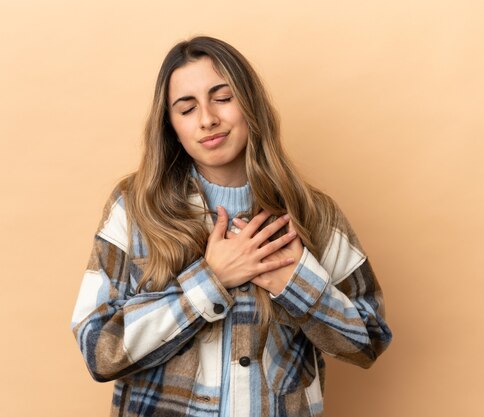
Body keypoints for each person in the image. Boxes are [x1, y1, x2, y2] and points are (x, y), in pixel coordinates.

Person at [70, 36, 392, 417]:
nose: (208, 119)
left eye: (223, 98)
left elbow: (369, 340)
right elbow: (98, 350)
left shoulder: (312, 214)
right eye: (187, 109)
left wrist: (295, 283)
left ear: (249, 104)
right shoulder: (135, 208)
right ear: (171, 126)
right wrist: (211, 279)